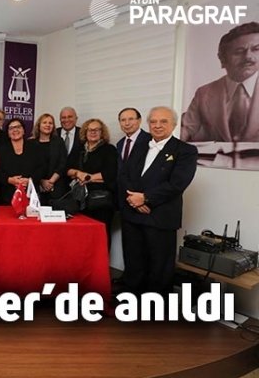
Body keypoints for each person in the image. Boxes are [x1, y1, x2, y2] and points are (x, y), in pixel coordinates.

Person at [120, 106, 197, 297]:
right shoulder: (140, 146)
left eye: (163, 121)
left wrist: (145, 198)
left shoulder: (185, 150)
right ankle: (131, 299)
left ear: (174, 124)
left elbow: (177, 184)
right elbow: (125, 175)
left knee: (159, 266)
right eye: (153, 121)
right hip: (132, 214)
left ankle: (155, 305)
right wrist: (134, 200)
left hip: (160, 217)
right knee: (133, 261)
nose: (157, 125)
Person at [182, 21, 259, 142]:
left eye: (256, 49)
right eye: (239, 51)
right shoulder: (204, 93)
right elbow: (186, 129)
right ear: (223, 59)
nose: (248, 57)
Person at [66, 118, 118, 244]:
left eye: (96, 130)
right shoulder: (79, 149)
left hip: (100, 202)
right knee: (82, 237)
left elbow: (111, 173)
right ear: (85, 132)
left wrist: (88, 178)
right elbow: (67, 170)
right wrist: (78, 173)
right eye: (90, 130)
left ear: (102, 132)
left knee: (101, 236)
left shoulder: (109, 149)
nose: (93, 132)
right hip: (80, 201)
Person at [0, 118, 43, 204]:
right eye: (11, 128)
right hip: (7, 194)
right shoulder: (1, 149)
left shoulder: (34, 147)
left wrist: (29, 180)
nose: (15, 130)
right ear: (8, 133)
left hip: (31, 193)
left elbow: (41, 168)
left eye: (18, 127)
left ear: (24, 130)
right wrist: (10, 180)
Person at [30, 113, 68, 204]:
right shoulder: (31, 143)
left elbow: (63, 163)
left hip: (56, 186)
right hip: (37, 186)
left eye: (50, 123)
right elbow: (30, 166)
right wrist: (41, 181)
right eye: (44, 122)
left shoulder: (59, 141)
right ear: (39, 125)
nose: (48, 125)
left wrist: (51, 181)